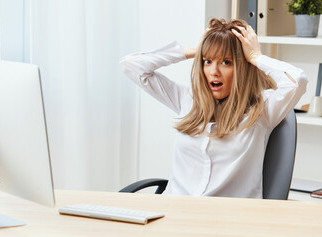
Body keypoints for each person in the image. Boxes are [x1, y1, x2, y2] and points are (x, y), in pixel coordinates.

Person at [120, 18, 308, 198]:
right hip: (173, 211)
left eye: (226, 62)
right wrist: (193, 51)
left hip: (225, 220)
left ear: (243, 67)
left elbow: (297, 81)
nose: (213, 71)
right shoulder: (187, 99)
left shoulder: (262, 110)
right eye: (207, 61)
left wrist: (255, 57)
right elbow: (131, 66)